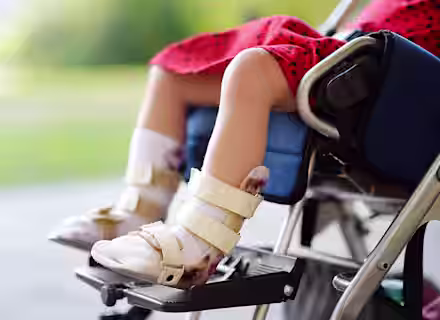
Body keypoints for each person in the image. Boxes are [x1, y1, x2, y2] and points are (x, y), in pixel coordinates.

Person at [49, 0, 440, 288]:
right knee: (174, 72)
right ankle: (137, 208)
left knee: (252, 70)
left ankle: (198, 245)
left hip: (393, 84)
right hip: (355, 53)